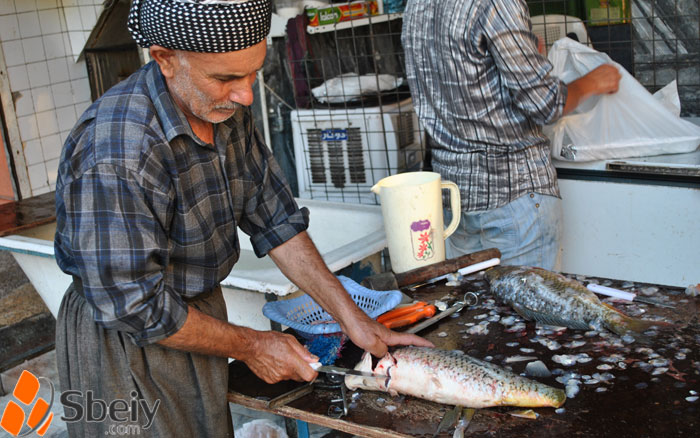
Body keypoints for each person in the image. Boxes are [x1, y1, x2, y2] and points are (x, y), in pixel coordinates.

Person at [53, 1, 431, 436]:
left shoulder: (226, 114)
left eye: (253, 72)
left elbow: (277, 220)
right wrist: (253, 345)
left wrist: (353, 319)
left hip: (196, 321)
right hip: (123, 346)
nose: (247, 94)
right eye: (226, 78)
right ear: (165, 59)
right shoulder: (118, 150)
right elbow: (135, 307)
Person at [402, 0, 622, 270]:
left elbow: (464, 85)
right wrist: (594, 81)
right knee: (527, 310)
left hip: (455, 201)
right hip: (513, 194)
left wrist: (528, 60)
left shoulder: (417, 5)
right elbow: (545, 104)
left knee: (480, 310)